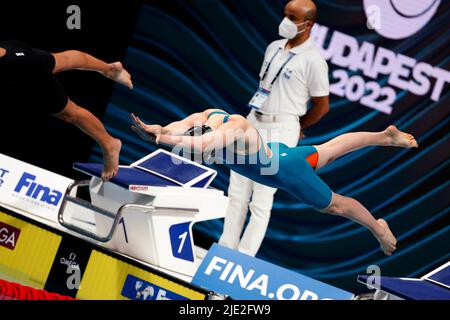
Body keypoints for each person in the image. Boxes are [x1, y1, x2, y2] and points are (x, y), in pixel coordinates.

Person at [130, 109, 419, 256]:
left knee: (336, 206)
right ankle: (384, 137)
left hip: (286, 173)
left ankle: (379, 228)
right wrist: (162, 129)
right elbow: (185, 126)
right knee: (329, 150)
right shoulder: (210, 115)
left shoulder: (235, 128)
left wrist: (161, 139)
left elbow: (205, 143)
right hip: (281, 156)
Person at [221, 0, 330, 256]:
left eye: (293, 18)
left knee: (261, 199)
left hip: (282, 128)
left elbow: (322, 106)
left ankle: (242, 259)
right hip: (253, 120)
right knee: (237, 192)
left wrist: (298, 125)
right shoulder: (273, 48)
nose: (286, 21)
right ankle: (224, 253)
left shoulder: (314, 60)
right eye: (285, 15)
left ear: (308, 24)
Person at [0, 40, 133, 180]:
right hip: (13, 53)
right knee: (60, 60)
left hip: (17, 66)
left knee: (69, 113)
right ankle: (109, 69)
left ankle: (109, 144)